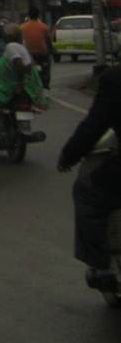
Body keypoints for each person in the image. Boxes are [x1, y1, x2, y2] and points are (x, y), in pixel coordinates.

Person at [57, 64, 121, 291]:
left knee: (87, 192)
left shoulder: (114, 79)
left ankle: (101, 267)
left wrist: (69, 155)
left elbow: (95, 124)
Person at [0, 23, 45, 109]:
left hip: (11, 88)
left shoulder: (11, 46)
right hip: (20, 86)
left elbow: (20, 67)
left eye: (5, 34)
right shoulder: (21, 47)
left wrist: (20, 84)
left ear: (9, 36)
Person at [20, 6, 53, 89]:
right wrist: (51, 49)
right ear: (38, 15)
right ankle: (45, 82)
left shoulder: (22, 27)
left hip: (28, 54)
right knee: (47, 64)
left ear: (29, 15)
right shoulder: (44, 27)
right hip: (42, 53)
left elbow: (20, 42)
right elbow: (48, 41)